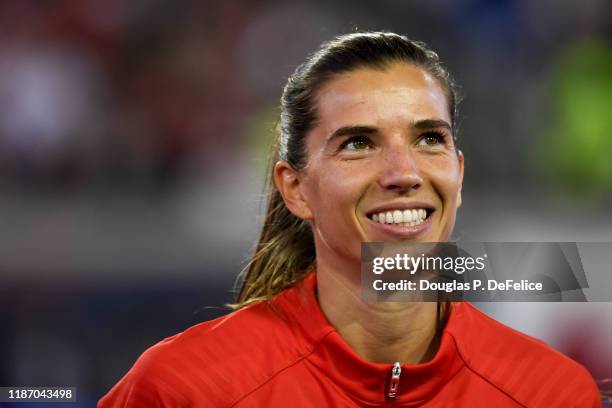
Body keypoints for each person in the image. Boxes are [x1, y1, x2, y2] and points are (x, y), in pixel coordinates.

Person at [98, 32, 602, 407]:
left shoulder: (549, 394)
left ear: (459, 173)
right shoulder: (186, 389)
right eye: (359, 143)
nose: (404, 173)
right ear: (295, 188)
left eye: (430, 139)